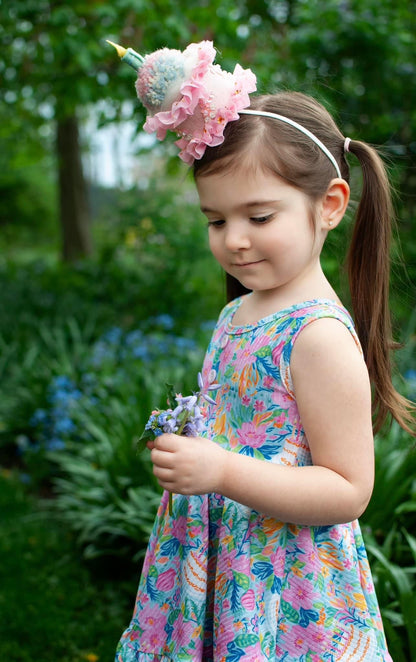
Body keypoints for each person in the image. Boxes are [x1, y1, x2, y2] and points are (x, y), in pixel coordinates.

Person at [112, 40, 415, 661]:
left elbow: (348, 488)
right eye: (216, 221)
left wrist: (222, 472)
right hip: (221, 559)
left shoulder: (319, 338)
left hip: (284, 583)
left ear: (328, 205)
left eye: (258, 216)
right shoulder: (239, 312)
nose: (235, 242)